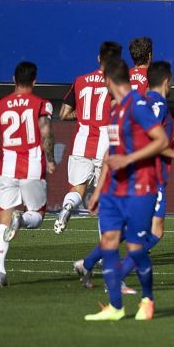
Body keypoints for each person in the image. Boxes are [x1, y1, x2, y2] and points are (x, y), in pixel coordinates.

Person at [74, 61, 174, 289]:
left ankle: (88, 263)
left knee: (124, 230)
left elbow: (110, 149)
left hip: (131, 177)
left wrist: (100, 188)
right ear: (168, 82)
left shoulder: (123, 108)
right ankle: (117, 276)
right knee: (154, 232)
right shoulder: (156, 105)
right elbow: (154, 142)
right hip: (149, 177)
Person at [0, 61, 55, 287]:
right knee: (37, 216)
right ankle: (21, 220)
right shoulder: (42, 104)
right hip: (32, 167)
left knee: (3, 219)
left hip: (6, 169)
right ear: (34, 81)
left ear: (14, 79)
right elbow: (45, 131)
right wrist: (50, 160)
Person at [54, 41, 123, 234]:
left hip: (81, 142)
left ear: (99, 58)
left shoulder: (80, 80)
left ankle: (67, 207)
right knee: (107, 199)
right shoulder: (116, 82)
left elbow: (63, 113)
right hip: (105, 143)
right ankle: (104, 250)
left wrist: (83, 115)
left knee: (77, 189)